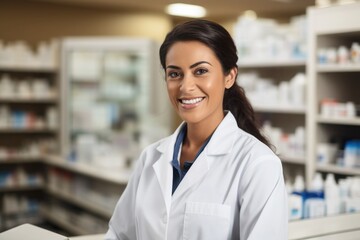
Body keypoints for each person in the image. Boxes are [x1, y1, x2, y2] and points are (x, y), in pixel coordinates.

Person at [105, 19, 288, 240]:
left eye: (200, 71)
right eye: (174, 74)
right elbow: (119, 234)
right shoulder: (151, 157)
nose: (185, 86)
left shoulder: (258, 163)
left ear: (229, 76)